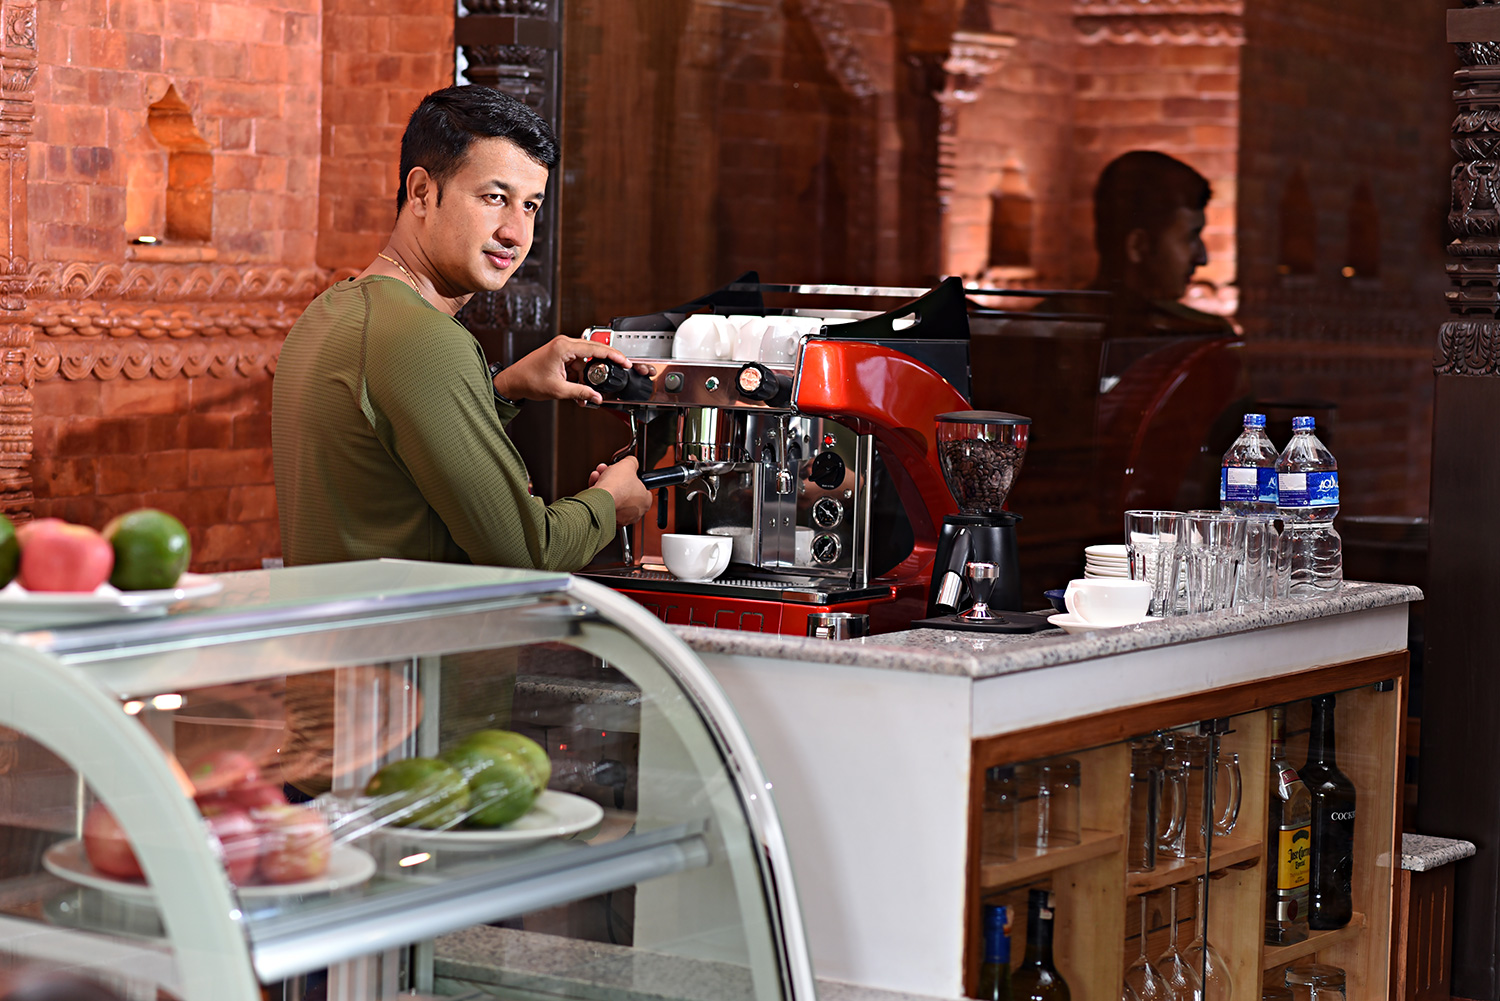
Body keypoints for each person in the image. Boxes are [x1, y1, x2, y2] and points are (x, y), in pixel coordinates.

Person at [272, 85, 653, 570]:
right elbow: (527, 552)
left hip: (341, 619)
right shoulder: (423, 338)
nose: (516, 233)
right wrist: (610, 502)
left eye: (530, 206)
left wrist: (503, 389)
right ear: (422, 193)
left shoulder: (332, 310)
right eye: (495, 197)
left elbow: (390, 472)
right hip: (415, 621)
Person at [1043, 150, 1234, 337]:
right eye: (1190, 237)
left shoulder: (1044, 324)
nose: (1202, 257)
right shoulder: (1203, 337)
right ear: (1137, 246)